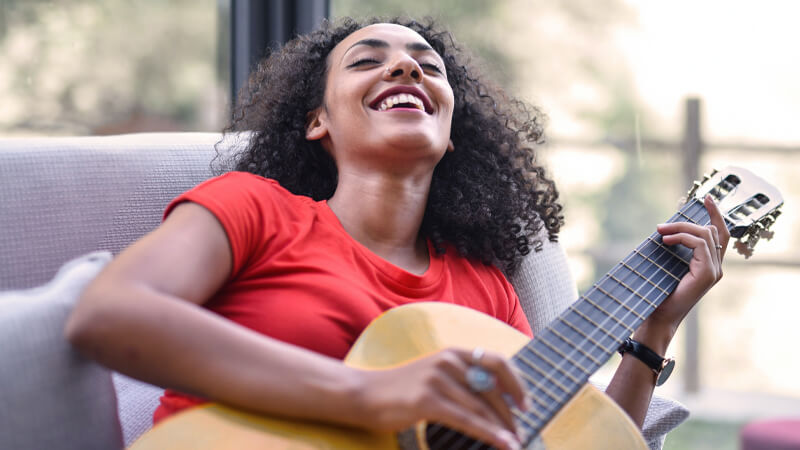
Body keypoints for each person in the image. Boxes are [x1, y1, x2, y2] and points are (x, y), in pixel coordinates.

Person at [65, 17, 728, 450]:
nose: (407, 69)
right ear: (316, 121)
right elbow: (109, 314)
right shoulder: (254, 210)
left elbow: (560, 438)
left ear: (450, 123)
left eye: (427, 65)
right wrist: (369, 395)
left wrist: (653, 334)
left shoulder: (486, 290)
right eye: (367, 61)